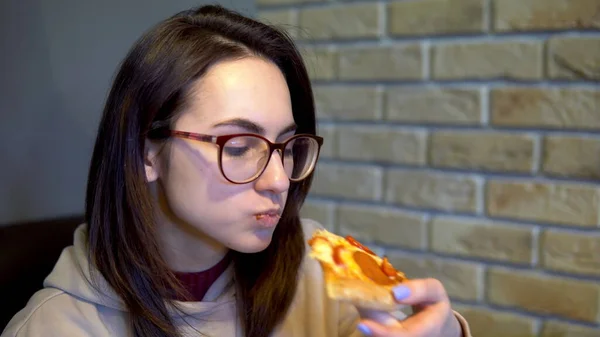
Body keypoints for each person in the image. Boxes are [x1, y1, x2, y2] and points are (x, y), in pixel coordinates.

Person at [2, 5, 472, 337]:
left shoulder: (317, 275)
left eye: (286, 146)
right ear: (147, 153)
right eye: (241, 145)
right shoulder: (55, 326)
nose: (279, 180)